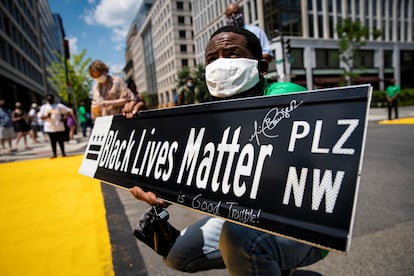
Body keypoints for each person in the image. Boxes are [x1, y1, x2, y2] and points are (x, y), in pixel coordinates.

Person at [129, 26, 326, 275]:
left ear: (261, 67)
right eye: (212, 58)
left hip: (300, 226)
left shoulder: (286, 95)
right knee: (177, 255)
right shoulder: (209, 114)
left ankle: (273, 261)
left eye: (232, 54)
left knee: (240, 237)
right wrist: (149, 123)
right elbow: (192, 166)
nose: (220, 63)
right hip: (243, 214)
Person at [38, 94, 73, 158]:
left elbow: (67, 111)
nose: (50, 100)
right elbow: (40, 116)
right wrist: (47, 116)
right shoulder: (44, 107)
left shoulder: (58, 106)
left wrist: (63, 118)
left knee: (61, 140)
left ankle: (63, 153)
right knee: (52, 141)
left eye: (51, 98)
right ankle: (54, 154)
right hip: (49, 127)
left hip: (59, 126)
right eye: (48, 98)